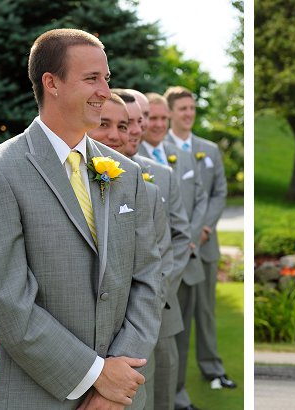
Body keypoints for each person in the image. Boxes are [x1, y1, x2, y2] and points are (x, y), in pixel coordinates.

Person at [0, 29, 162, 409]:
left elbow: (149, 279)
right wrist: (95, 376)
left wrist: (117, 382)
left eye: (106, 79)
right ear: (51, 83)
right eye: (92, 78)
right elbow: (3, 299)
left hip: (121, 398)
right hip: (36, 396)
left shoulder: (126, 174)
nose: (105, 92)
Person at [117, 88, 193, 410]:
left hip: (160, 311)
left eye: (142, 119)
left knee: (162, 392)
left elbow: (179, 237)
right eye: (129, 122)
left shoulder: (161, 175)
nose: (138, 128)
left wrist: (156, 291)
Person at [164, 86, 235, 391]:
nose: (189, 113)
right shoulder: (156, 148)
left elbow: (219, 193)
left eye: (192, 108)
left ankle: (212, 368)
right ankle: (172, 378)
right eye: (183, 109)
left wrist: (204, 228)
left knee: (205, 312)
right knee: (176, 317)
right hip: (174, 249)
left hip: (205, 246)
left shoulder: (210, 150)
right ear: (170, 113)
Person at [140, 92, 207, 410]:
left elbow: (194, 205)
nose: (155, 124)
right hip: (144, 278)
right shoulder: (118, 158)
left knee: (173, 346)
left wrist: (192, 237)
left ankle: (179, 397)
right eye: (149, 118)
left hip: (178, 267)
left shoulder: (177, 157)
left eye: (161, 118)